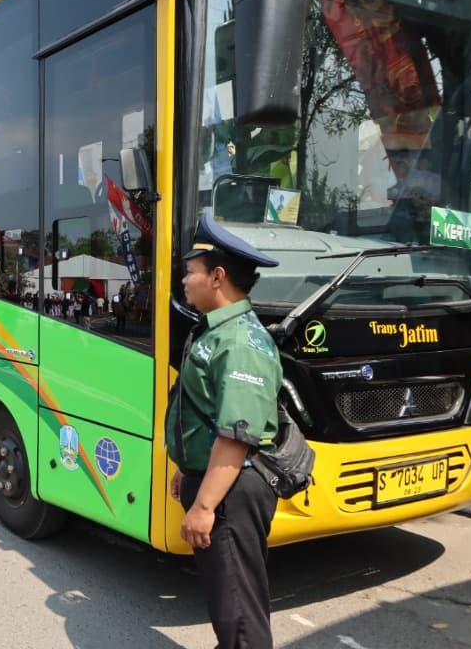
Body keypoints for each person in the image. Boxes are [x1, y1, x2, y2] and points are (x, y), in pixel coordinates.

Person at [165, 213, 282, 649]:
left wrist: (205, 504)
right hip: (218, 479)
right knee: (230, 602)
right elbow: (210, 416)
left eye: (191, 272)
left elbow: (236, 436)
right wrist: (189, 471)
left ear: (217, 276)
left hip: (232, 491)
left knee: (238, 614)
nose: (184, 279)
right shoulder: (218, 332)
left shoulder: (238, 342)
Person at [385, 149, 440, 243]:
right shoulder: (391, 180)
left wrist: (423, 200)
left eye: (404, 161)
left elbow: (435, 202)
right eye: (397, 163)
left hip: (425, 219)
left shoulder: (432, 179)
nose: (399, 166)